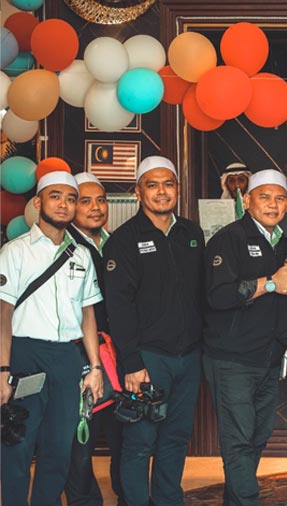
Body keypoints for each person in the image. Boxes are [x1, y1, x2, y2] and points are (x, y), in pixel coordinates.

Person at [104, 155, 205, 506]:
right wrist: (131, 363)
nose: (161, 192)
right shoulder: (123, 240)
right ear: (138, 192)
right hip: (147, 359)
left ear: (177, 188)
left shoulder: (191, 233)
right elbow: (118, 307)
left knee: (176, 438)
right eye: (152, 184)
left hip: (188, 357)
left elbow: (200, 294)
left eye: (168, 184)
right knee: (139, 442)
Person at [0, 171, 104, 505]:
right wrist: (3, 371)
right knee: (17, 445)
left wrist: (96, 367)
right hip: (25, 355)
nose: (64, 204)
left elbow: (88, 313)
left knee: (60, 448)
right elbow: (2, 315)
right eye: (56, 196)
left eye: (71, 198)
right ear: (38, 202)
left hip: (67, 359)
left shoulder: (81, 255)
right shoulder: (15, 252)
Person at [203, 169, 287, 506]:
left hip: (269, 360)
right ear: (247, 200)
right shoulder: (228, 239)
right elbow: (217, 295)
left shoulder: (285, 244)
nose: (272, 204)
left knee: (258, 437)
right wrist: (269, 283)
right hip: (232, 359)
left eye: (279, 198)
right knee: (239, 440)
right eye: (264, 197)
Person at [65, 172, 125, 506]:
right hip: (81, 356)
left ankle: (124, 495)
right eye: (84, 201)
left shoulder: (114, 242)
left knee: (123, 438)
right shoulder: (66, 246)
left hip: (119, 356)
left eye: (100, 200)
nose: (95, 208)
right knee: (81, 440)